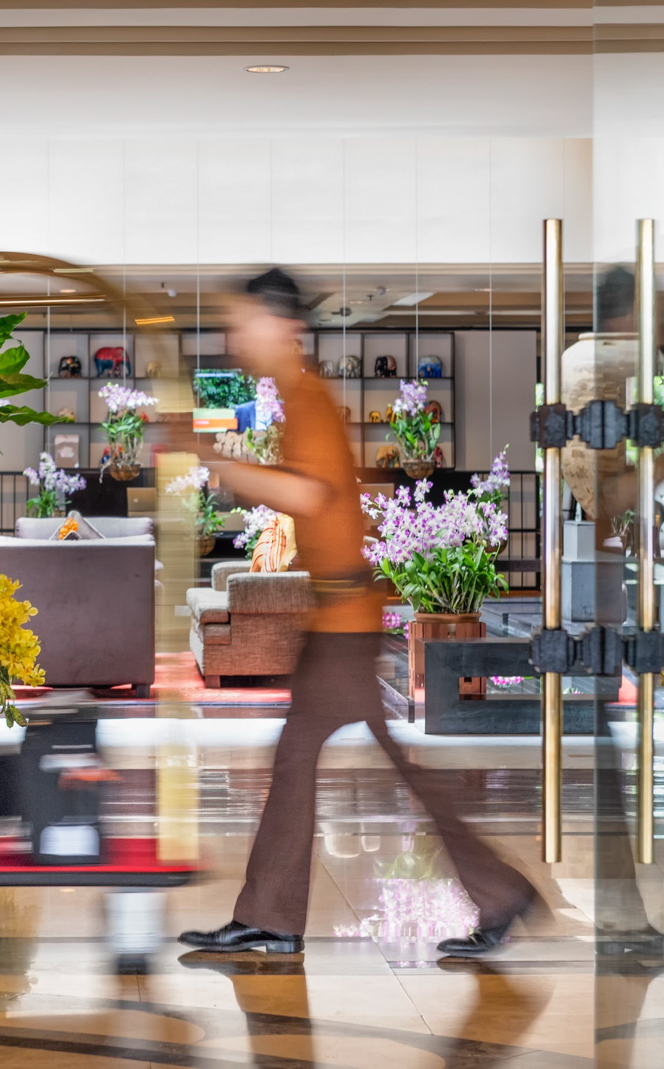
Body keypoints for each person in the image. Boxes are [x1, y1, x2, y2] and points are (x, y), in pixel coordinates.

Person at [177, 268, 540, 957]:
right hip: (338, 616)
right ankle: (279, 915)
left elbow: (309, 496)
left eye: (244, 322)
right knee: (314, 760)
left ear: (286, 326)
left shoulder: (309, 398)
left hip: (343, 620)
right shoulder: (298, 395)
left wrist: (209, 457)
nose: (234, 336)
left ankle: (280, 917)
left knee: (328, 761)